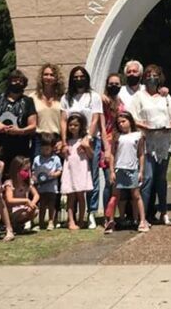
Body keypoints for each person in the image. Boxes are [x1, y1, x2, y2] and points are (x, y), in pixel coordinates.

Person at [60, 66, 105, 229]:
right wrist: (64, 141)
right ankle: (74, 217)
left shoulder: (94, 97)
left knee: (91, 178)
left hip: (90, 140)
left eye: (81, 76)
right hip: (71, 141)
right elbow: (64, 120)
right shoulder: (67, 98)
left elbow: (95, 119)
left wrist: (88, 138)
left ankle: (91, 213)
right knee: (72, 178)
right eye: (76, 77)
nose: (79, 79)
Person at [132, 64, 171, 226]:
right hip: (147, 141)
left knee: (161, 179)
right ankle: (143, 215)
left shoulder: (165, 96)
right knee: (148, 177)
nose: (152, 77)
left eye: (155, 75)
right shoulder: (139, 97)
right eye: (149, 74)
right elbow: (132, 117)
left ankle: (164, 212)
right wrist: (144, 126)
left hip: (163, 141)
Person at [105, 111, 149, 233]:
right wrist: (112, 170)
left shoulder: (138, 135)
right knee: (115, 196)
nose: (121, 124)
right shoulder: (117, 137)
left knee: (136, 195)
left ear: (130, 121)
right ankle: (111, 221)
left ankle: (142, 220)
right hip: (119, 169)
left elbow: (141, 154)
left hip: (132, 169)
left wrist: (141, 171)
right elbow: (113, 153)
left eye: (123, 121)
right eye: (119, 123)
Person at [0, 70, 37, 166]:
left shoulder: (28, 101)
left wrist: (19, 131)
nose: (17, 83)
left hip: (20, 146)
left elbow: (33, 126)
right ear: (9, 81)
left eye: (20, 81)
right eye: (14, 80)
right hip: (0, 145)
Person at [60, 113, 94, 230]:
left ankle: (81, 220)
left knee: (81, 196)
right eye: (70, 125)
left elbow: (91, 156)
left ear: (81, 126)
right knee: (71, 196)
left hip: (81, 169)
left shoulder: (84, 140)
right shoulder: (66, 141)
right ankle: (71, 221)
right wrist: (62, 148)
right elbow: (62, 154)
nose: (73, 127)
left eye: (76, 125)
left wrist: (86, 147)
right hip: (69, 170)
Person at [99, 72, 125, 226]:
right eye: (111, 84)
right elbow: (103, 128)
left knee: (117, 183)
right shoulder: (103, 101)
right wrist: (107, 149)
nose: (114, 86)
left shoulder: (121, 102)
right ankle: (107, 217)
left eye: (117, 84)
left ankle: (115, 216)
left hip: (119, 144)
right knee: (110, 180)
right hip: (106, 144)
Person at [28, 63, 65, 157]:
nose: (48, 77)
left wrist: (63, 140)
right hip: (39, 140)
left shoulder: (63, 98)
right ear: (41, 77)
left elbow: (66, 121)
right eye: (46, 74)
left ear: (56, 78)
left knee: (57, 170)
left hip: (57, 140)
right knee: (39, 170)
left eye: (52, 75)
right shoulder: (32, 98)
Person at [33, 133, 63, 230]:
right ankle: (41, 222)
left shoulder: (56, 159)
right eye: (43, 148)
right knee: (42, 205)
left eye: (47, 149)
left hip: (52, 186)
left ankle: (51, 221)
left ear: (52, 148)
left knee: (51, 204)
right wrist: (34, 177)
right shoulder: (37, 159)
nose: (45, 151)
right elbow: (34, 171)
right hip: (41, 187)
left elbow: (60, 170)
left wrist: (54, 174)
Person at [3, 156, 40, 232]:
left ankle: (19, 224)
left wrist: (32, 203)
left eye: (28, 170)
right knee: (24, 213)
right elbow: (9, 200)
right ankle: (12, 223)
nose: (27, 173)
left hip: (22, 208)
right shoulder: (10, 183)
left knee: (34, 211)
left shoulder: (27, 183)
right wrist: (25, 200)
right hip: (11, 210)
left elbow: (36, 195)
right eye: (25, 170)